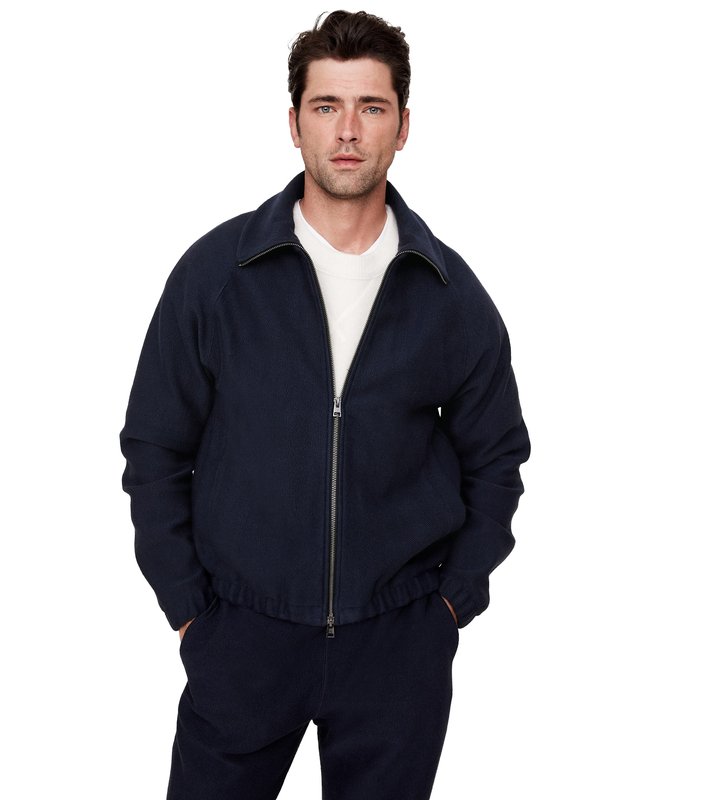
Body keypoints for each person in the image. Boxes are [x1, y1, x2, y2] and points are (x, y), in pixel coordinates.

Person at [119, 9, 530, 800]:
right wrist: (189, 608)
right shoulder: (218, 275)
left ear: (402, 126)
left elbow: (498, 458)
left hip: (397, 646)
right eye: (326, 106)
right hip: (243, 636)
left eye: (371, 107)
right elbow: (156, 447)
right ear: (294, 123)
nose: (347, 130)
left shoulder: (448, 294)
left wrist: (449, 605)